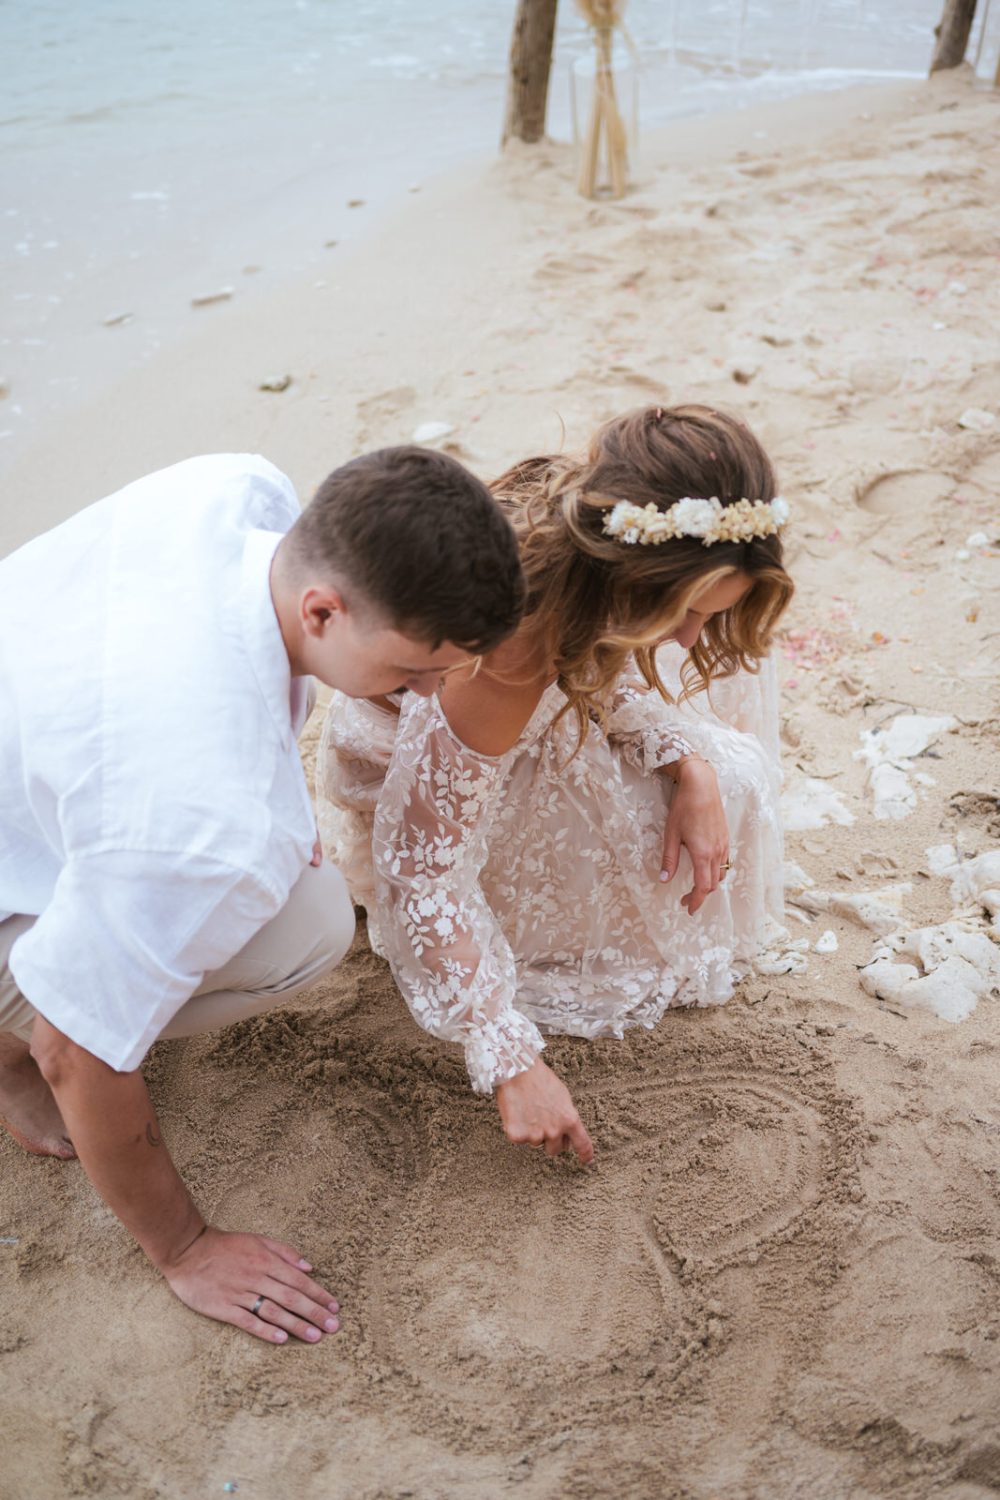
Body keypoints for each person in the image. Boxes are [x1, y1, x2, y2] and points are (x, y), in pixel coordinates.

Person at [0, 444, 524, 1343]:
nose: (435, 693)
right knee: (303, 931)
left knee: (274, 881)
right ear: (323, 608)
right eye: (413, 671)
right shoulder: (209, 822)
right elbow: (75, 1050)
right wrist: (186, 1246)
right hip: (111, 809)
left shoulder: (239, 490)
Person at [318, 405, 794, 1164]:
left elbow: (595, 664)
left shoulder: (588, 547)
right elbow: (424, 868)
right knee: (668, 829)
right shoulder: (512, 652)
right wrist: (510, 1058)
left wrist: (685, 762)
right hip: (442, 768)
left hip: (518, 715)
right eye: (686, 612)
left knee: (724, 748)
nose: (690, 639)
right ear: (633, 577)